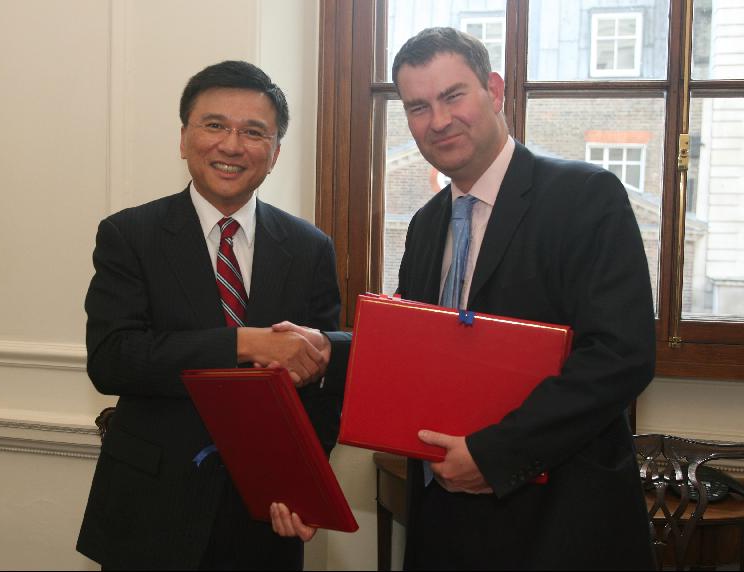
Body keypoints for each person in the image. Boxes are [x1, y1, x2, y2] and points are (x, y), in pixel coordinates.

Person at [280, 26, 656, 569]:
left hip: (559, 525)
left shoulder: (585, 196)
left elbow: (621, 355)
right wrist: (325, 350)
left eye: (453, 95)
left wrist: (495, 454)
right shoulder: (426, 224)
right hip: (445, 526)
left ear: (495, 90)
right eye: (417, 106)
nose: (438, 120)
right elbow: (419, 352)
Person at [76, 60, 343, 570]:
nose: (231, 145)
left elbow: (322, 384)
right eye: (214, 125)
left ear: (276, 152)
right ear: (184, 138)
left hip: (263, 515)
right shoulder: (130, 236)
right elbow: (112, 359)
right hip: (151, 510)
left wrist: (302, 485)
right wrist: (245, 344)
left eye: (253, 132)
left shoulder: (309, 248)